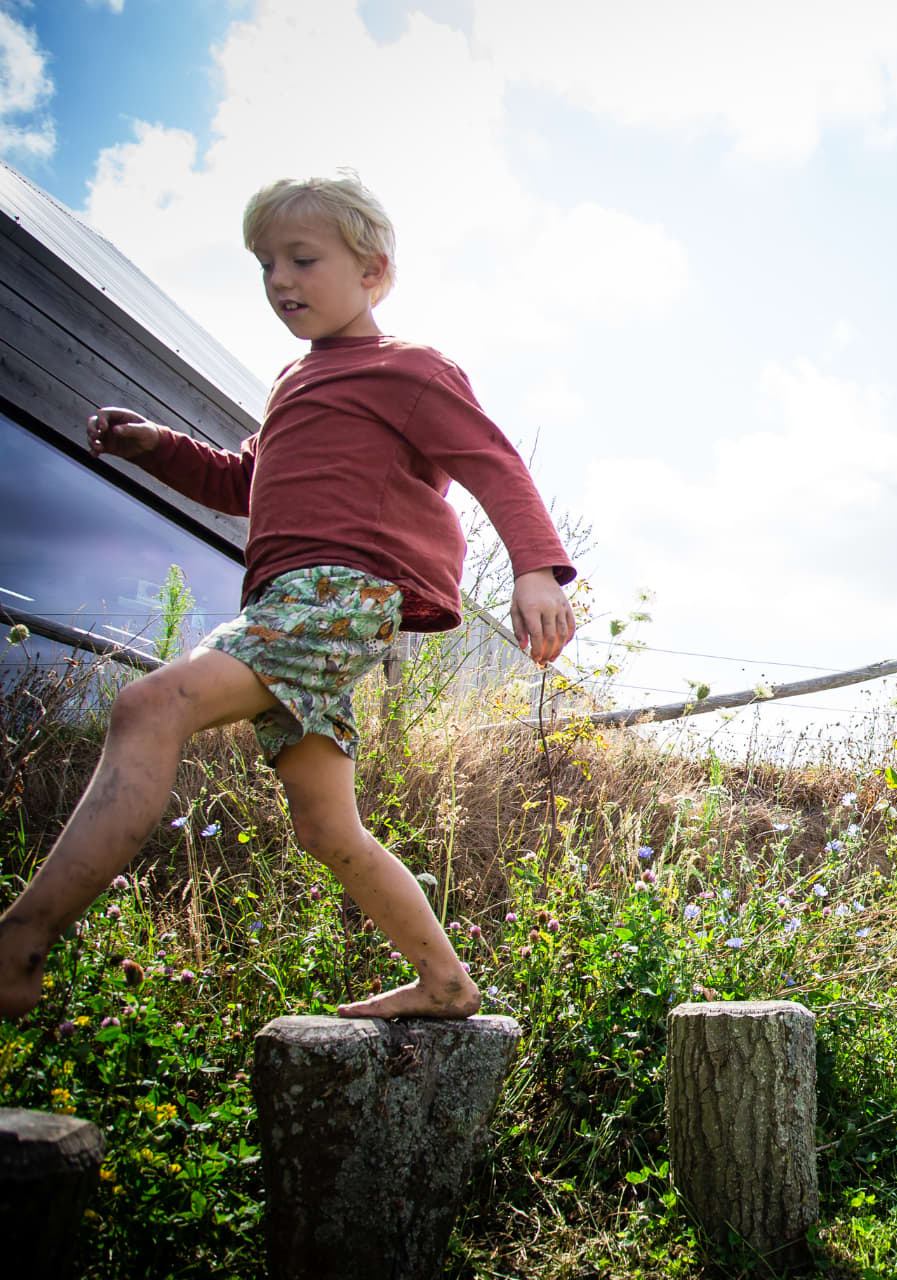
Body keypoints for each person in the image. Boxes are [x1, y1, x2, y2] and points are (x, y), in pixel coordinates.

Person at [0, 173, 577, 1019]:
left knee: (147, 707)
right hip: (287, 606)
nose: (280, 281)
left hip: (337, 596)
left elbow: (494, 461)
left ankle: (20, 940)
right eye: (265, 265)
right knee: (325, 827)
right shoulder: (291, 384)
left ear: (373, 272)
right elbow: (242, 481)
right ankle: (446, 982)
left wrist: (536, 567)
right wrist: (157, 446)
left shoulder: (407, 368)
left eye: (302, 260)